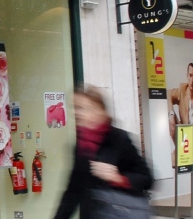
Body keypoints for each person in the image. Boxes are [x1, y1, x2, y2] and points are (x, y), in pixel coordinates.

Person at [53, 86, 153, 219]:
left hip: (121, 213)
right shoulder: (80, 146)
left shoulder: (119, 139)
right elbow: (73, 191)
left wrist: (118, 178)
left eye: (82, 108)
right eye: (75, 108)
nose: (76, 113)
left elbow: (147, 179)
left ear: (99, 111)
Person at [168, 63, 193, 162]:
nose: (192, 80)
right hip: (184, 134)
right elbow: (168, 93)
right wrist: (171, 113)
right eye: (190, 76)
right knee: (171, 120)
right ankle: (180, 151)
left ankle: (187, 152)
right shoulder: (182, 91)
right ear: (187, 76)